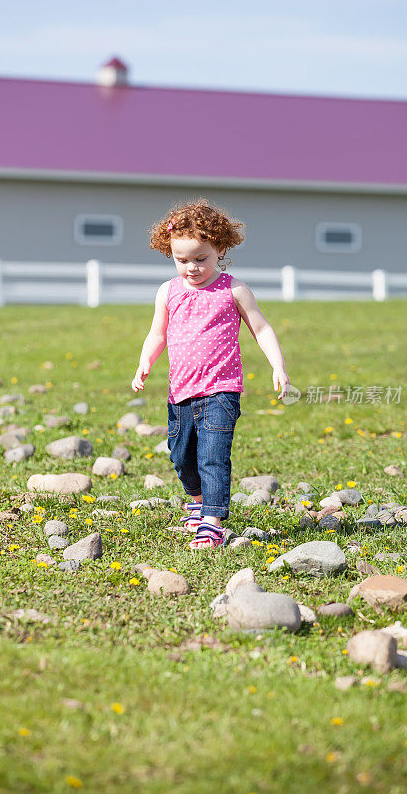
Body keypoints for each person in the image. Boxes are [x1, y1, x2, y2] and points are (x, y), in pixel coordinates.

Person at [131, 197, 290, 549]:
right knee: (181, 454)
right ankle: (198, 499)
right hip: (181, 392)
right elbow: (157, 333)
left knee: (213, 455)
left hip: (221, 390)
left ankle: (212, 522)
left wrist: (278, 366)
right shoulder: (168, 291)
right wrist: (146, 361)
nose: (191, 267)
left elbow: (261, 329)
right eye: (181, 260)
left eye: (200, 258)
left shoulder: (233, 290)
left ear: (219, 248)